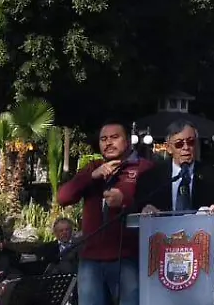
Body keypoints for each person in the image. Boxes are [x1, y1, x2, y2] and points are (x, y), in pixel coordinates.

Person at [57, 121, 153, 305]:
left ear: (128, 142)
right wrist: (91, 177)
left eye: (115, 137)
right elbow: (63, 197)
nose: (108, 143)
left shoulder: (144, 168)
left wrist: (125, 201)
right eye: (103, 139)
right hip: (90, 261)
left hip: (128, 259)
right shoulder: (93, 167)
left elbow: (156, 206)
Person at [138, 120, 214, 214]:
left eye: (191, 142)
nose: (186, 147)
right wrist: (145, 209)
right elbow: (136, 209)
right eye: (179, 144)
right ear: (169, 148)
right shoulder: (150, 178)